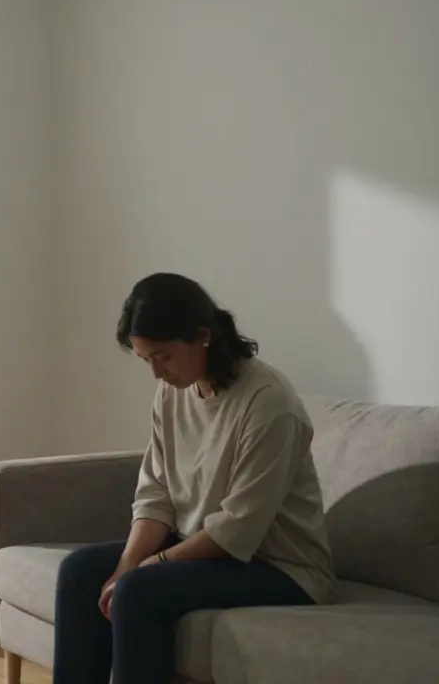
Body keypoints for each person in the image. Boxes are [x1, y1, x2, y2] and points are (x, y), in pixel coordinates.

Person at [52, 273, 336, 684]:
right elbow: (156, 494)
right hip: (206, 550)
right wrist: (127, 564)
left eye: (163, 357)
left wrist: (150, 566)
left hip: (280, 567)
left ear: (203, 336)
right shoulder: (173, 391)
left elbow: (237, 528)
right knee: (79, 572)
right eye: (145, 360)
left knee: (138, 590)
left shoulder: (269, 404)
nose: (156, 373)